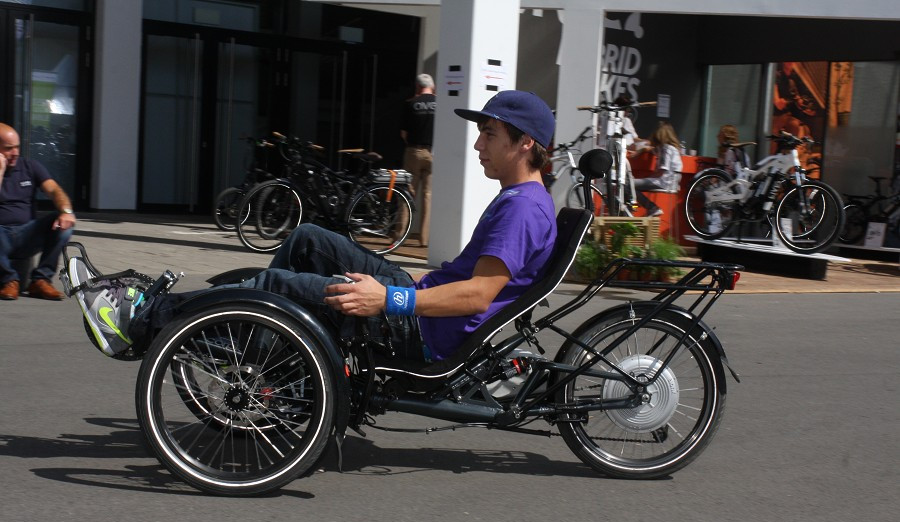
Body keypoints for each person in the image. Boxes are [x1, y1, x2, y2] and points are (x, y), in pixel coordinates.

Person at [69, 90, 558, 363]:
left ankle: (140, 318)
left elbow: (476, 296)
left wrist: (389, 299)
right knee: (309, 239)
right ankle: (268, 354)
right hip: (418, 302)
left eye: (489, 135)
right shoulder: (521, 199)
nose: (478, 146)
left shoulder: (521, 210)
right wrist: (402, 289)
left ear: (524, 143)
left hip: (422, 328)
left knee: (273, 285)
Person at [0, 122, 75, 301]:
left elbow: (54, 190)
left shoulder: (30, 166)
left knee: (63, 224)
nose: (15, 153)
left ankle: (41, 281)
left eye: (17, 147)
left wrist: (65, 211)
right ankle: (9, 281)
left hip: (27, 233)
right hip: (1, 236)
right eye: (8, 148)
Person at [400, 73, 436, 247]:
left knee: (407, 193)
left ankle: (399, 235)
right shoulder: (441, 104)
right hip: (433, 154)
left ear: (417, 87)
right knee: (427, 196)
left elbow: (404, 133)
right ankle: (424, 239)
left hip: (414, 151)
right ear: (433, 87)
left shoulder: (410, 104)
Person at [630, 121, 683, 217]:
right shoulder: (671, 148)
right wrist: (643, 149)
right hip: (671, 183)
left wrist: (648, 178)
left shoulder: (666, 149)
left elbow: (662, 171)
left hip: (663, 182)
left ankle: (649, 208)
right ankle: (641, 207)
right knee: (631, 186)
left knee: (629, 184)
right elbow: (651, 149)